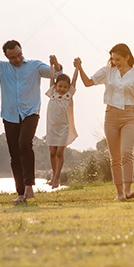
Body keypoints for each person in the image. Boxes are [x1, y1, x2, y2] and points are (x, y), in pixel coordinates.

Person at [0, 40, 60, 204]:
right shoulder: (1, 68)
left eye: (19, 55)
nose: (17, 60)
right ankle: (20, 193)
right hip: (10, 115)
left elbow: (56, 74)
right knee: (14, 154)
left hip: (30, 112)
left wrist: (56, 64)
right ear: (6, 56)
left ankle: (29, 185)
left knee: (25, 144)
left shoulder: (35, 66)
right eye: (12, 58)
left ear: (21, 51)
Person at [73, 43, 134, 201]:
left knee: (127, 153)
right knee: (115, 157)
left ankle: (128, 190)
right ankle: (119, 194)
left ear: (127, 57)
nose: (115, 62)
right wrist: (79, 68)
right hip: (110, 116)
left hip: (128, 117)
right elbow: (88, 82)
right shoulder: (107, 72)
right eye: (113, 59)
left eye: (118, 59)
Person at [44, 60, 78, 188]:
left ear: (68, 88)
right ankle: (53, 176)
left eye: (65, 87)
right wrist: (52, 65)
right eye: (60, 86)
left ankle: (57, 178)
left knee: (59, 153)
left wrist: (77, 68)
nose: (62, 89)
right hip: (52, 127)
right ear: (56, 86)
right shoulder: (52, 92)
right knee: (52, 152)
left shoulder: (69, 95)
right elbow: (52, 77)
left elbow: (74, 80)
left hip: (64, 127)